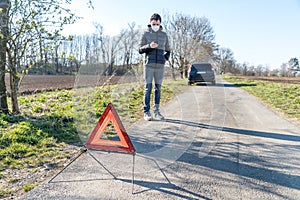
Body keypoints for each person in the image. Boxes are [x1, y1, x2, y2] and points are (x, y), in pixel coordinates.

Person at [138, 13, 171, 121]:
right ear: (150, 23)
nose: (155, 25)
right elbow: (139, 49)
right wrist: (149, 46)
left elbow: (168, 50)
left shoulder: (164, 35)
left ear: (160, 23)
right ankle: (146, 112)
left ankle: (157, 112)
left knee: (158, 88)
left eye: (157, 24)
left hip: (160, 66)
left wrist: (165, 58)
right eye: (153, 24)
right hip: (148, 65)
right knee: (148, 88)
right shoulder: (145, 34)